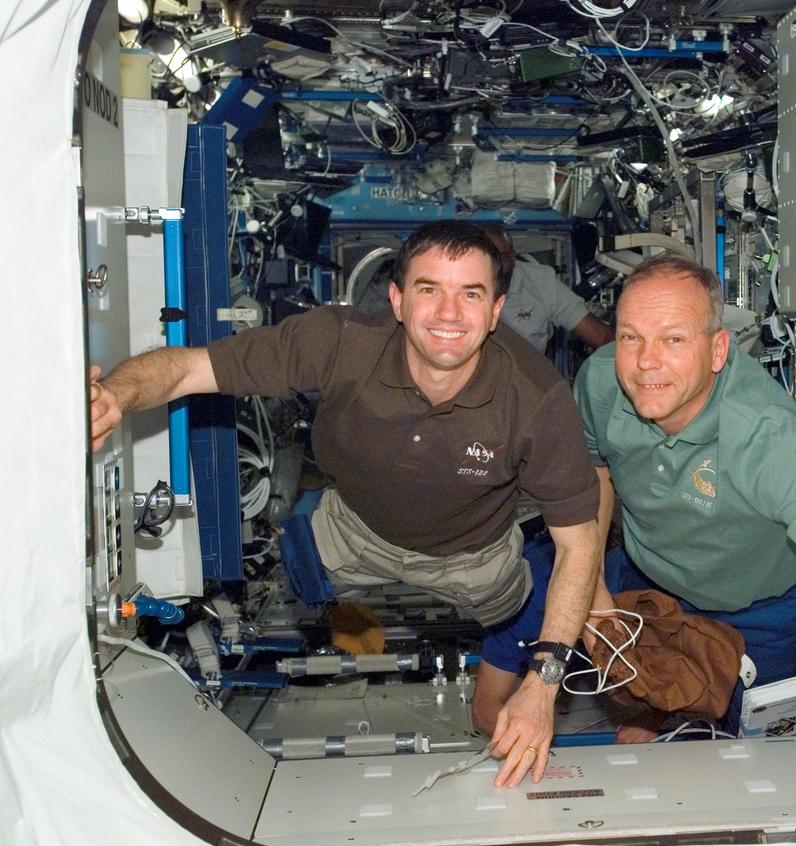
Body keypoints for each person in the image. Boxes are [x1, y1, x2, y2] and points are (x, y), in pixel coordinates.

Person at [88, 220, 599, 789]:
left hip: (473, 556)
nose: (449, 313)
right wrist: (115, 395)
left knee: (512, 608)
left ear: (497, 310)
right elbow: (190, 367)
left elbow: (579, 543)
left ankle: (501, 615)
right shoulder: (338, 343)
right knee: (304, 570)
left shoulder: (536, 398)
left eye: (471, 294)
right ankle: (341, 601)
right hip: (355, 530)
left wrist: (543, 683)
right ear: (398, 300)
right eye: (430, 289)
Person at [475, 254, 796, 811]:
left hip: (760, 609)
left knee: (749, 765)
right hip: (652, 576)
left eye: (673, 340)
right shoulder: (601, 382)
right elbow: (596, 475)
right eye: (631, 337)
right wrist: (594, 595)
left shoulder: (764, 437)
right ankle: (634, 713)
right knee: (538, 582)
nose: (645, 362)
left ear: (718, 350)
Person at [478, 224, 614, 352]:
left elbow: (602, 337)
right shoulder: (465, 285)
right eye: (485, 258)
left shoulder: (541, 282)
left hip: (527, 366)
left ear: (512, 258)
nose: (494, 267)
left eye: (500, 257)